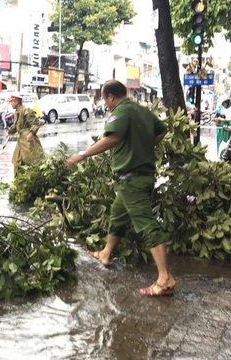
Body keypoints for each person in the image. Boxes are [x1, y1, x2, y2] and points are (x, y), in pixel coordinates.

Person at [65, 80, 175, 297]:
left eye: (104, 99)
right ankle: (105, 253)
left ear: (111, 97)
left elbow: (112, 138)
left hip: (133, 178)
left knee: (146, 225)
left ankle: (165, 278)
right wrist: (141, 144)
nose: (104, 104)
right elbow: (162, 130)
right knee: (118, 214)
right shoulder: (140, 110)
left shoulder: (121, 111)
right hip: (135, 178)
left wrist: (82, 155)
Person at [7, 92, 44, 174]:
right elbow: (15, 125)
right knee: (16, 161)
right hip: (21, 141)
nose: (11, 104)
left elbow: (36, 123)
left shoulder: (26, 111)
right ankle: (18, 181)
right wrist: (9, 132)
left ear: (16, 101)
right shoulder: (17, 112)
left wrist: (31, 134)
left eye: (12, 101)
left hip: (28, 141)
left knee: (31, 161)